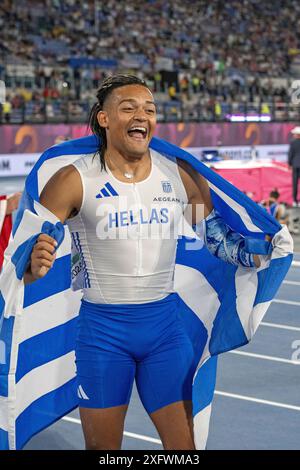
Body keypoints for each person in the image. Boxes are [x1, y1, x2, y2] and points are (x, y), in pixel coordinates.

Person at [23, 74, 261, 451]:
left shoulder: (180, 176)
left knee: (184, 450)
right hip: (103, 336)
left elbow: (218, 240)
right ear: (104, 118)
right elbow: (28, 258)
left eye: (150, 109)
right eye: (129, 107)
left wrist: (257, 251)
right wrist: (33, 266)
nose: (143, 115)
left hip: (165, 333)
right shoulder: (73, 181)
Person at [288, 126, 300, 207]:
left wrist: (289, 164)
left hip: (295, 165)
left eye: (295, 134)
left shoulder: (293, 142)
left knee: (295, 184)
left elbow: (290, 154)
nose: (293, 135)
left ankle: (295, 201)